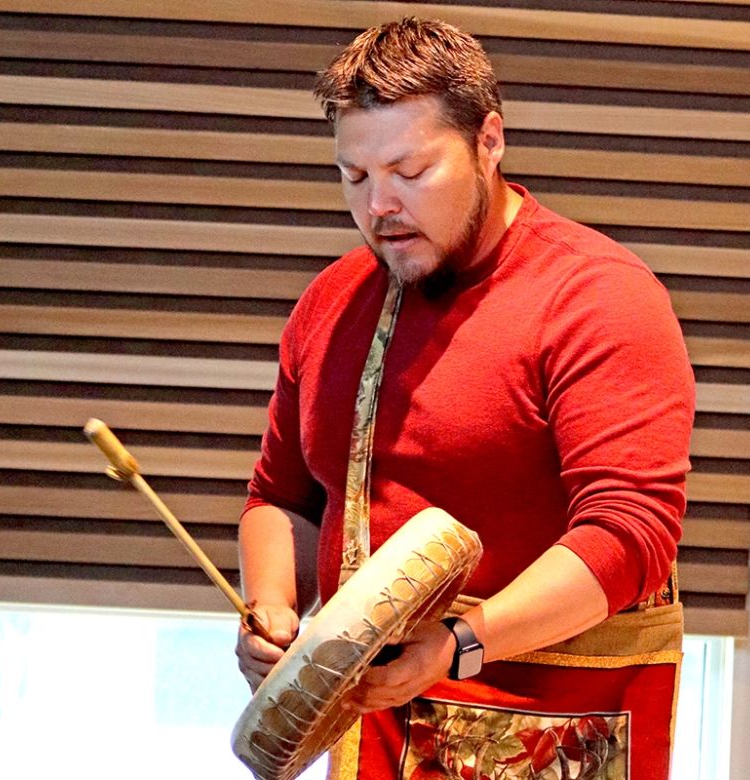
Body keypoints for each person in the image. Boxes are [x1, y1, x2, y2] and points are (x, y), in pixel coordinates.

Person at [236, 17, 694, 780]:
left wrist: (459, 645)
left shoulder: (598, 297)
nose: (379, 206)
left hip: (545, 731)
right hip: (374, 734)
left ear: (490, 141)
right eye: (355, 177)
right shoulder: (331, 304)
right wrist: (274, 610)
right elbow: (283, 500)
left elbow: (628, 536)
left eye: (410, 172)